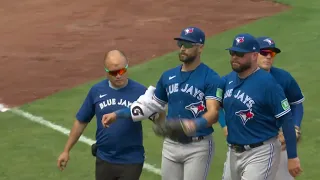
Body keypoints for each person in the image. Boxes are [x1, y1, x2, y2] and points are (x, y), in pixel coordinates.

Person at [101, 26, 223, 180]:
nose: (183, 48)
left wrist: (193, 124)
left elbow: (213, 113)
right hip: (171, 144)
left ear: (200, 48)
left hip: (198, 146)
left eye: (188, 45)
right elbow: (148, 105)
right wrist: (117, 114)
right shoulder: (168, 76)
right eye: (181, 44)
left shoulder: (211, 78)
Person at [219, 36, 305, 180]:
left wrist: (295, 130)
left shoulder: (280, 79)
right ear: (255, 55)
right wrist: (224, 124)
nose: (268, 57)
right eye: (264, 52)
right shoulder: (231, 79)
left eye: (272, 54)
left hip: (273, 142)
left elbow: (295, 105)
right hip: (237, 146)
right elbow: (215, 103)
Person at [56, 50, 148, 180]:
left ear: (127, 66)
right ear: (106, 71)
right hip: (104, 159)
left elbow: (158, 117)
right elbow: (81, 121)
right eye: (113, 73)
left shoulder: (141, 92)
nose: (118, 76)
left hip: (131, 160)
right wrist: (66, 150)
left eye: (121, 71)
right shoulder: (97, 91)